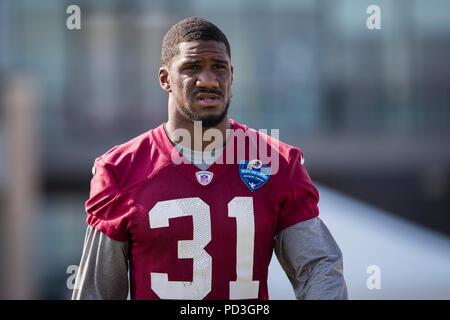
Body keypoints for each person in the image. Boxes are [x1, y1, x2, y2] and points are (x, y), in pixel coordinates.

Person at [72, 17, 347, 300]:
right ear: (165, 79)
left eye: (218, 67)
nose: (208, 80)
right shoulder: (120, 169)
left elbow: (318, 266)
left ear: (231, 74)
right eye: (192, 68)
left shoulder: (277, 162)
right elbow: (96, 292)